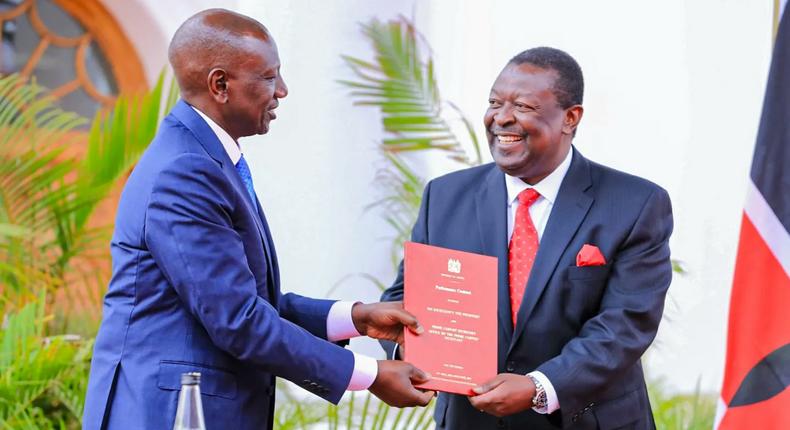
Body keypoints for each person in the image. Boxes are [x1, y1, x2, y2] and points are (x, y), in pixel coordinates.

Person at [83, 9, 433, 430]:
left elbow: (246, 303)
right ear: (221, 85)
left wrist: (357, 318)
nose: (282, 91)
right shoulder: (186, 171)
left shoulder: (205, 159)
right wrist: (369, 374)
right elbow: (238, 320)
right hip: (172, 413)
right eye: (268, 77)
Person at [381, 47, 673, 429]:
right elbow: (404, 298)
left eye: (523, 106)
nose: (502, 118)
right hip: (471, 419)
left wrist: (540, 387)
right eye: (494, 102)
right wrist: (414, 353)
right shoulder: (445, 196)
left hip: (586, 420)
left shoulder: (635, 203)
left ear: (570, 118)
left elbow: (625, 324)